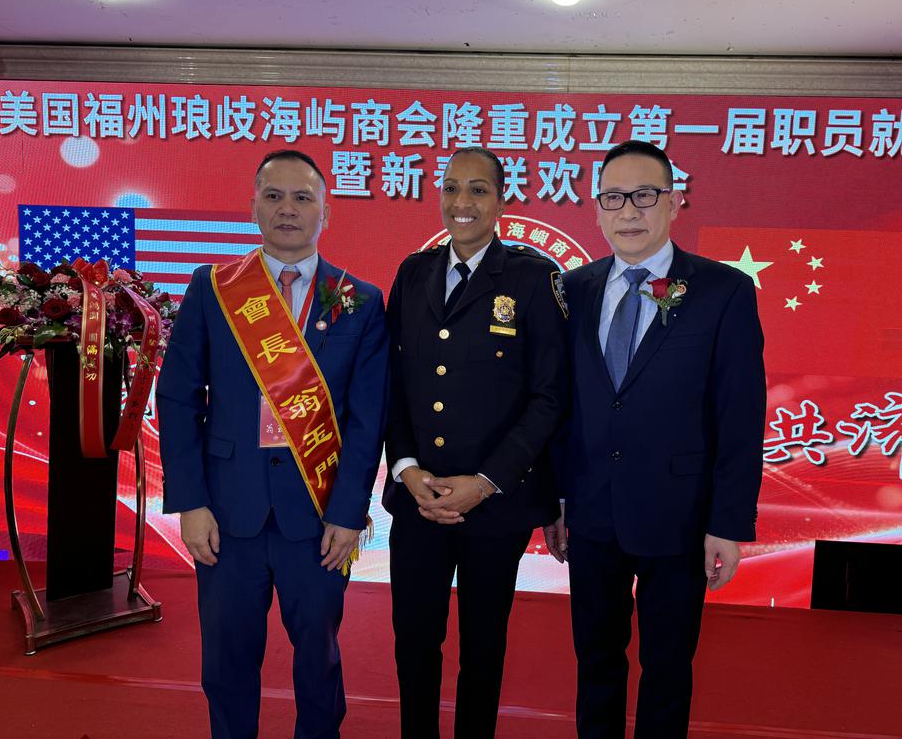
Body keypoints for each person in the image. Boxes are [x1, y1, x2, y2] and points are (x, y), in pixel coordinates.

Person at [157, 149, 389, 739]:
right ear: (254, 206)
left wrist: (348, 513)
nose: (288, 209)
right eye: (274, 196)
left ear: (325, 212)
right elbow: (178, 398)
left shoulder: (359, 300)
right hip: (225, 512)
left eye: (303, 198)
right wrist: (189, 502)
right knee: (226, 656)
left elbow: (367, 419)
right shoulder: (214, 288)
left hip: (317, 513)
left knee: (319, 655)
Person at [544, 140, 766, 738]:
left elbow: (740, 415)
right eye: (614, 198)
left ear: (673, 202)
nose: (629, 211)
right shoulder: (571, 290)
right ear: (597, 209)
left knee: (667, 667)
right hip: (591, 510)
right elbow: (559, 406)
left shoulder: (722, 291)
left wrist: (728, 523)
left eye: (645, 195)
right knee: (595, 660)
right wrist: (555, 499)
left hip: (680, 516)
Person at [383, 146, 568, 738]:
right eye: (451, 187)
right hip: (419, 502)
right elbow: (393, 382)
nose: (461, 202)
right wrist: (406, 468)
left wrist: (486, 482)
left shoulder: (533, 279)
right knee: (414, 641)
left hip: (496, 505)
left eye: (478, 189)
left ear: (501, 201)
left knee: (483, 648)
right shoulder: (414, 273)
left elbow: (549, 398)